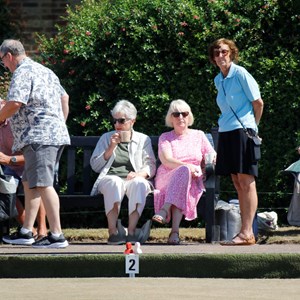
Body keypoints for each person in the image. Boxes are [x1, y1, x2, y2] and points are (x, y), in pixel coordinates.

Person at [0, 39, 70, 248]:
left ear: (9, 56)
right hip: (46, 135)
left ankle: (57, 235)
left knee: (43, 183)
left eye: (3, 61)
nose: (4, 65)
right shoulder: (46, 71)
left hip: (39, 136)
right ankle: (25, 231)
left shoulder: (22, 72)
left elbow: (15, 103)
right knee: (30, 182)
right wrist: (58, 124)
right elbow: (64, 98)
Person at [208, 38, 264, 245]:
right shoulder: (218, 80)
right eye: (216, 53)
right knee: (236, 181)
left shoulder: (240, 74)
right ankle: (244, 232)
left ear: (231, 53)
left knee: (246, 180)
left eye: (223, 51)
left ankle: (248, 232)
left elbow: (258, 103)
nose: (220, 56)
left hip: (243, 130)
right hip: (226, 131)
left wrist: (254, 128)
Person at [90, 100, 156, 245]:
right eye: (114, 121)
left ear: (133, 121)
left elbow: (150, 165)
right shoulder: (106, 138)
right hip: (110, 179)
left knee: (139, 183)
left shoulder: (143, 139)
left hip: (133, 179)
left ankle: (131, 232)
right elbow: (95, 166)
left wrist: (139, 175)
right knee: (115, 182)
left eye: (121, 121)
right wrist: (111, 148)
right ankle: (113, 232)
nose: (117, 125)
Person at [151, 99, 216, 244]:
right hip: (167, 176)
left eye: (184, 113)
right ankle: (174, 232)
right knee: (183, 172)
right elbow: (166, 160)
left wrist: (204, 167)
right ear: (171, 118)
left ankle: (164, 210)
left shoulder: (199, 135)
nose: (180, 117)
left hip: (192, 179)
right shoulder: (165, 137)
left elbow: (212, 155)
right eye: (176, 114)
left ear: (189, 116)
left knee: (183, 178)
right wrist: (188, 166)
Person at [0, 100, 47, 240]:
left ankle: (42, 230)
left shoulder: (17, 122)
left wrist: (9, 159)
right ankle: (29, 231)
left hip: (30, 164)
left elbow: (35, 154)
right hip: (9, 169)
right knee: (3, 187)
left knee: (37, 184)